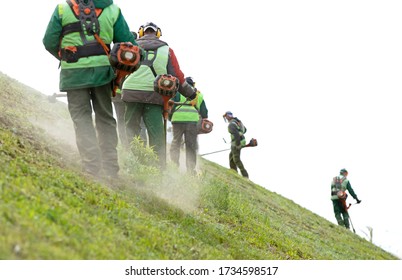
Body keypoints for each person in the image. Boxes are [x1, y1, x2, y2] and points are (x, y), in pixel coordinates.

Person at [43, 0, 137, 178]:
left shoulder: (62, 9)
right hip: (102, 72)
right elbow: (129, 44)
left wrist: (66, 57)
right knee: (105, 118)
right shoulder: (113, 10)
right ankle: (110, 167)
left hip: (72, 73)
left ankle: (91, 167)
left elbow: (49, 41)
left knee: (81, 117)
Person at [121, 22, 197, 169]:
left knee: (131, 130)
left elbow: (119, 69)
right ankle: (158, 169)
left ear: (142, 33)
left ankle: (133, 164)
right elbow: (178, 78)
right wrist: (191, 93)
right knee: (156, 135)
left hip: (130, 92)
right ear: (158, 34)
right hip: (154, 96)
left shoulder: (131, 46)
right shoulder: (167, 50)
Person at [169, 77, 208, 175]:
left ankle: (174, 166)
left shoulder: (176, 91)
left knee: (176, 142)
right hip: (192, 122)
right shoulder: (198, 95)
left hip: (177, 120)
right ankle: (190, 170)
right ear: (193, 84)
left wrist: (170, 117)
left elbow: (170, 106)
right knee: (191, 146)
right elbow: (204, 112)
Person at [223, 111, 249, 178]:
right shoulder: (237, 122)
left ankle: (245, 175)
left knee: (236, 159)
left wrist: (238, 144)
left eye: (226, 116)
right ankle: (233, 171)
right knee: (231, 156)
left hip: (237, 142)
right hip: (242, 140)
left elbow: (236, 135)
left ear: (227, 117)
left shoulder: (231, 124)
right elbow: (245, 130)